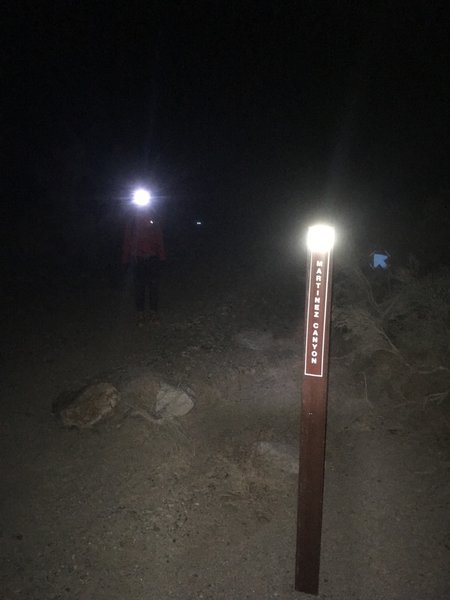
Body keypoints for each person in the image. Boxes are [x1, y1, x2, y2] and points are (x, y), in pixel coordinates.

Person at [122, 206, 166, 326]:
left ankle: (153, 312)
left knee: (153, 286)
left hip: (152, 258)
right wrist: (126, 259)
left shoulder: (153, 216)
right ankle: (140, 313)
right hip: (138, 259)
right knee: (139, 287)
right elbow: (127, 239)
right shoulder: (132, 220)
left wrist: (161, 256)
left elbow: (159, 236)